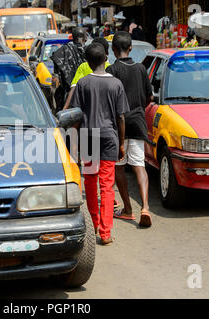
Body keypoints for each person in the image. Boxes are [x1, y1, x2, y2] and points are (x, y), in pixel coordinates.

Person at [70, 42, 129, 245]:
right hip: (110, 137)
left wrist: (74, 142)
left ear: (87, 61)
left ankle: (94, 224)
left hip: (89, 137)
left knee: (90, 182)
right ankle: (105, 233)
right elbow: (121, 117)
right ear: (106, 58)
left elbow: (76, 116)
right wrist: (121, 144)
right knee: (106, 186)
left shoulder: (83, 83)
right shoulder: (116, 84)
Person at [107, 31, 153, 228]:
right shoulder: (141, 68)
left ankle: (127, 209)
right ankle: (145, 207)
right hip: (138, 120)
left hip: (119, 125)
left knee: (119, 167)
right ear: (131, 48)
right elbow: (149, 97)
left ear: (113, 50)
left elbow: (109, 100)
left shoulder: (111, 70)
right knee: (139, 166)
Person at [51, 27, 87, 111]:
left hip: (68, 95)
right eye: (85, 38)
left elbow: (56, 77)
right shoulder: (89, 52)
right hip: (84, 94)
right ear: (82, 39)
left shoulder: (61, 52)